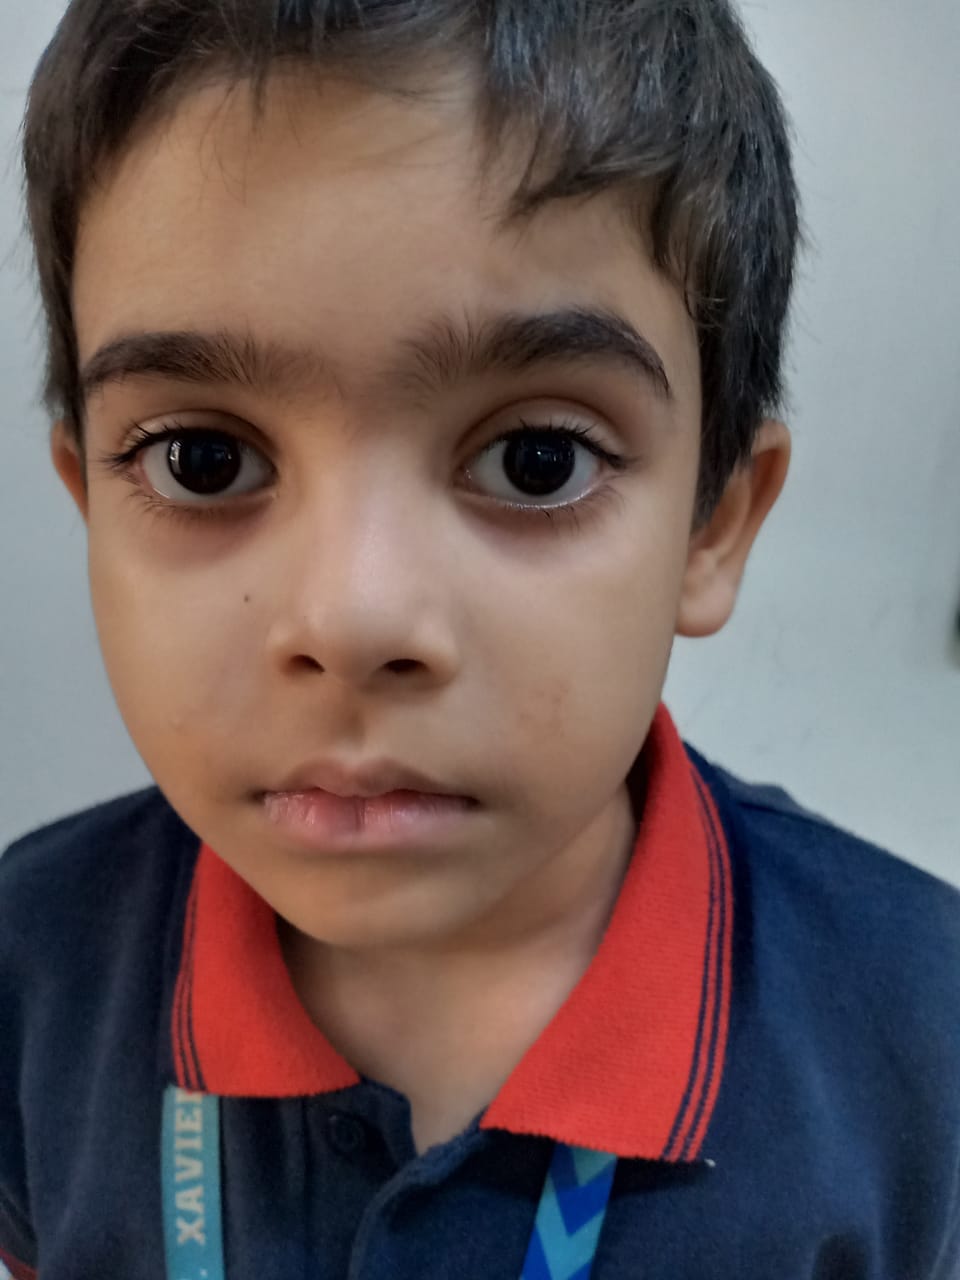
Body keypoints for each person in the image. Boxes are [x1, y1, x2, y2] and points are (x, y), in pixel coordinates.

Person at [1, 2, 958, 1277]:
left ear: (713, 523)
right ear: (88, 502)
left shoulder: (927, 1031)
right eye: (202, 459)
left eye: (536, 458)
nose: (352, 618)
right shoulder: (31, 965)